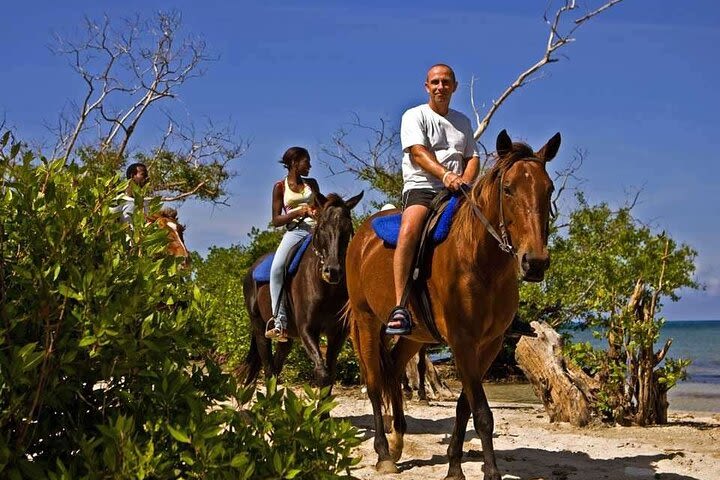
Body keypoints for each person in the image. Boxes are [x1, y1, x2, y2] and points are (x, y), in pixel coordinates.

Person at [387, 64, 480, 335]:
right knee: (409, 230)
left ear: (454, 86)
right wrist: (446, 175)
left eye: (446, 82)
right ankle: (400, 306)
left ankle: (505, 309)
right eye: (435, 82)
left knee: (494, 228)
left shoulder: (462, 121)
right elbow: (417, 152)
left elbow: (472, 157)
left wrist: (466, 181)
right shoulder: (414, 115)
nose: (441, 87)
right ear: (427, 87)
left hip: (459, 190)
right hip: (423, 187)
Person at [265, 146, 321, 342]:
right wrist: (299, 212)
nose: (310, 166)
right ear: (294, 163)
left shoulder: (312, 184)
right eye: (307, 162)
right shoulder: (280, 187)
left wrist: (316, 212)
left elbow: (320, 205)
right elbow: (276, 220)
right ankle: (279, 321)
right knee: (277, 269)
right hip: (295, 232)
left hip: (317, 230)